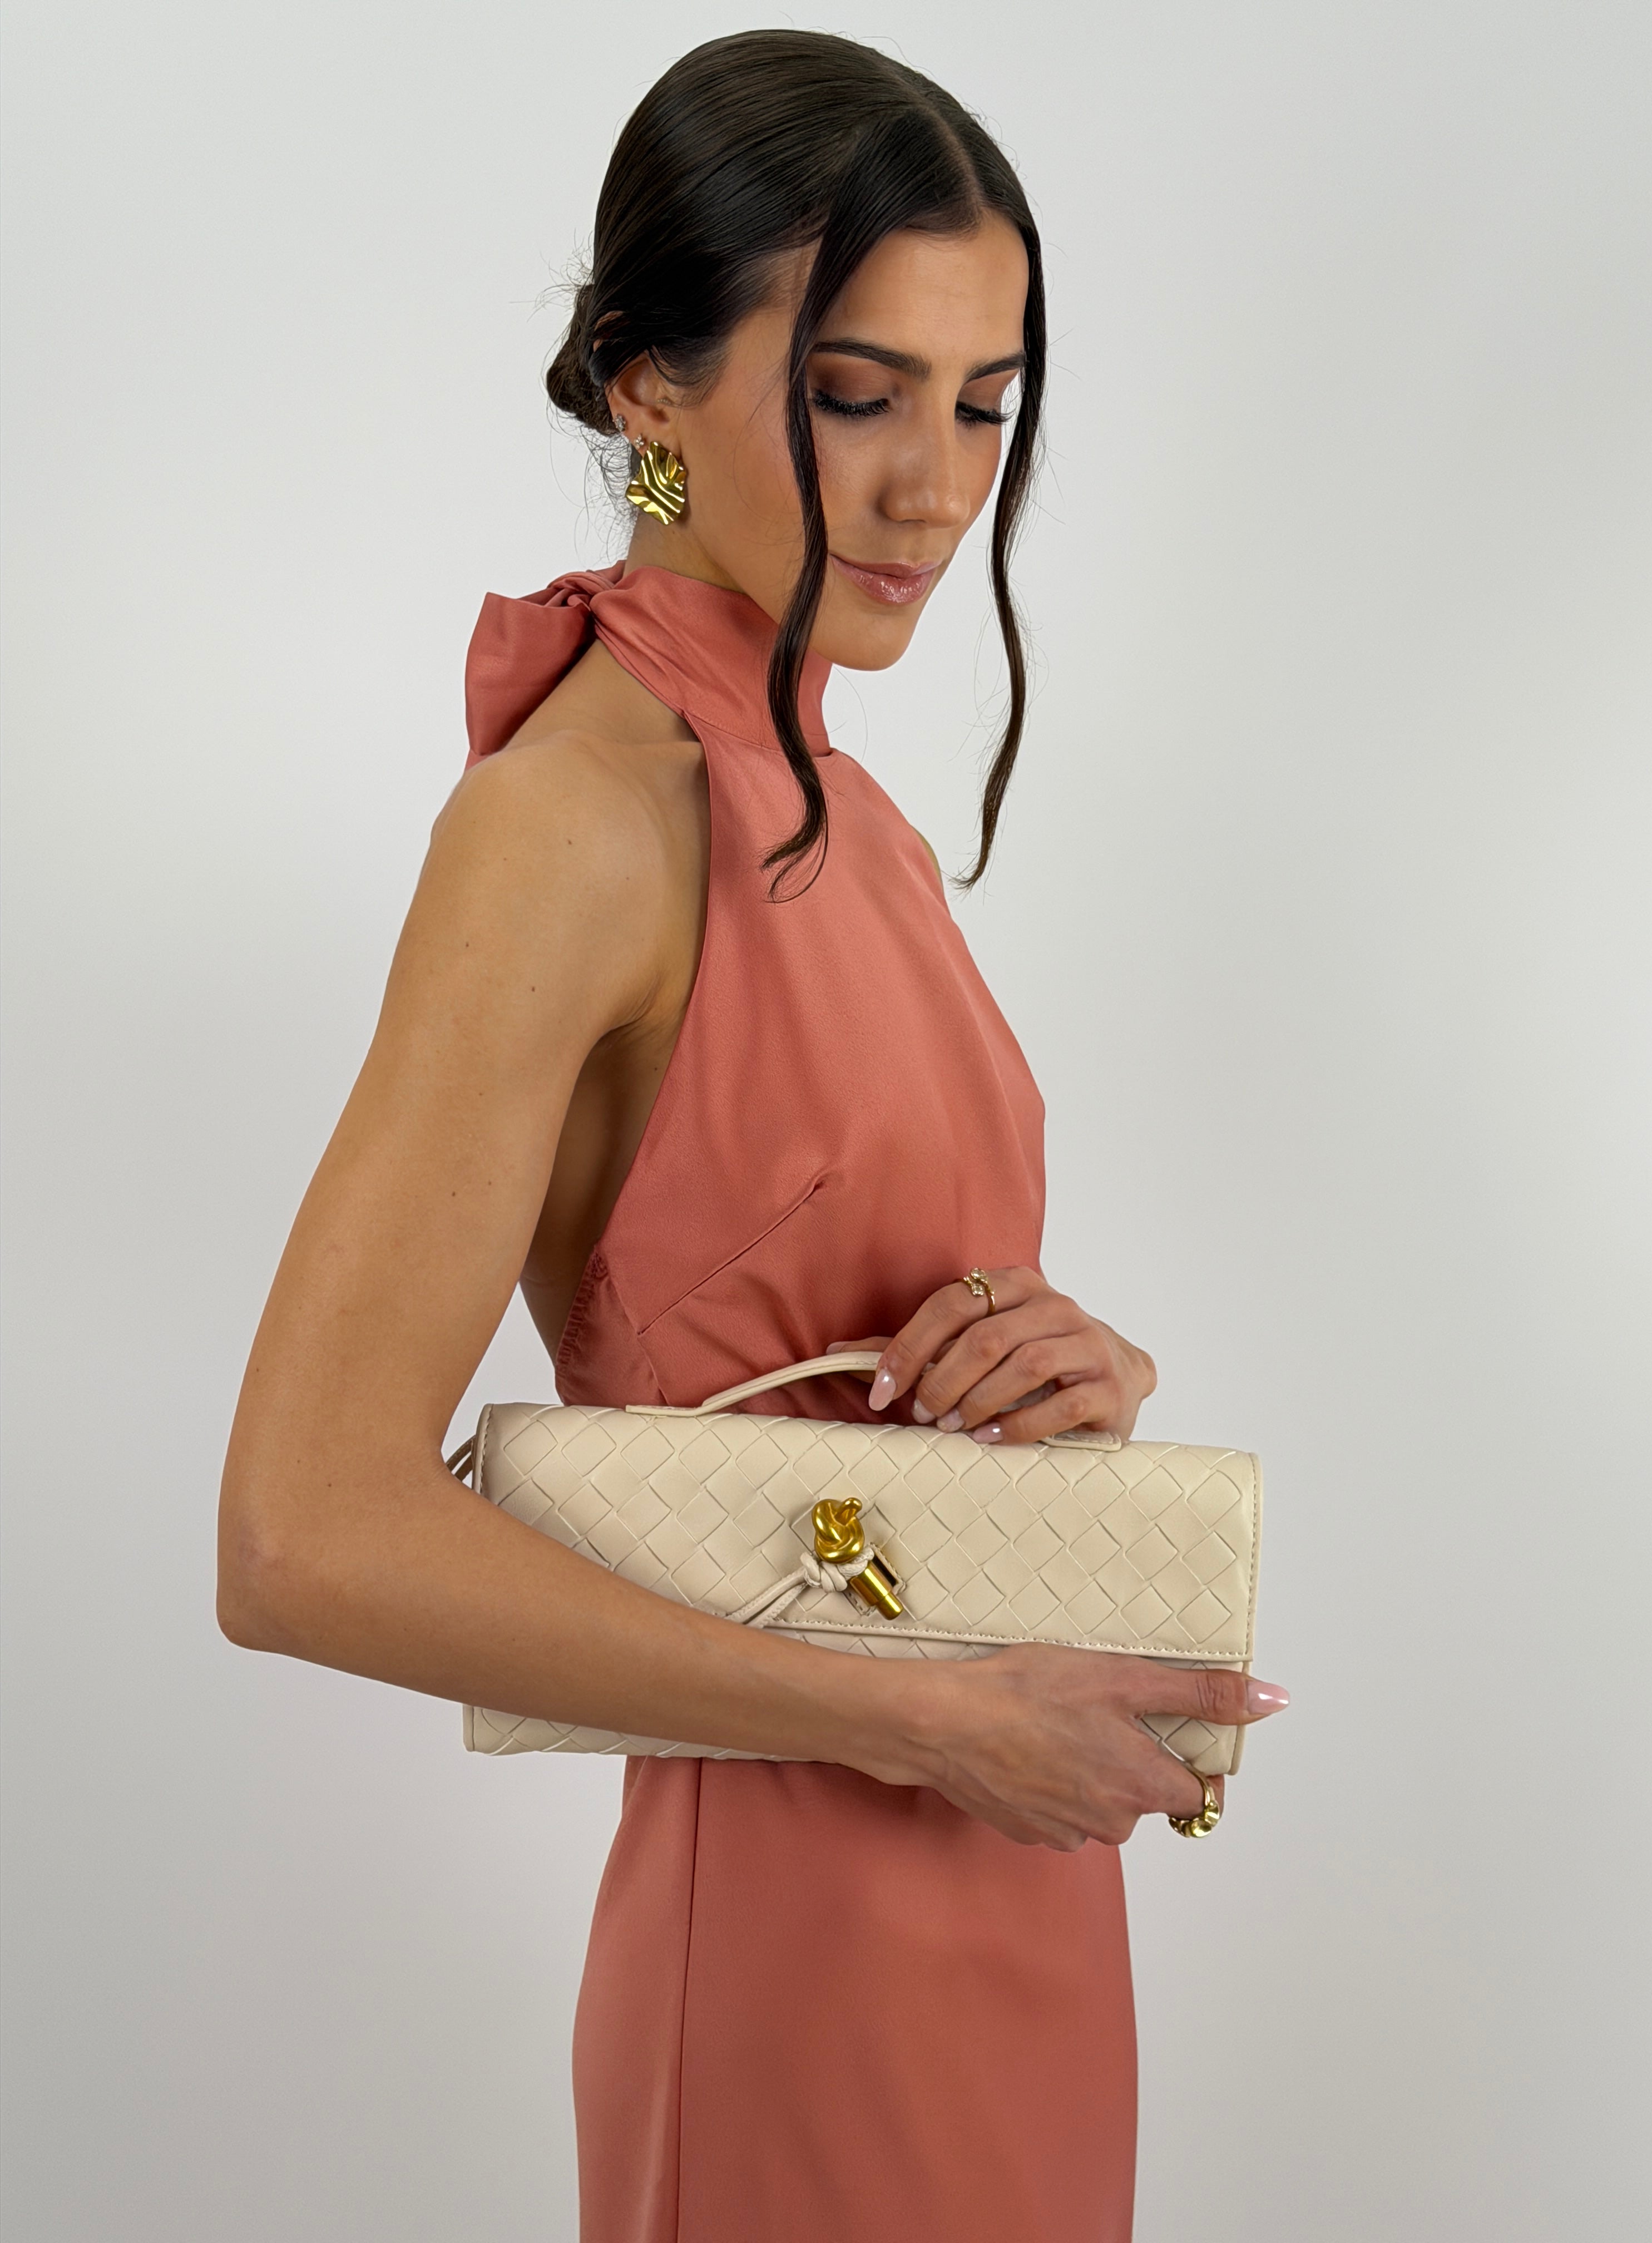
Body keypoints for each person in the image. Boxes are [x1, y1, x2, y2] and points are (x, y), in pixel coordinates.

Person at [217, 29, 1288, 2243]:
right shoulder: (571, 831)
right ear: (646, 387)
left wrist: (1057, 1376)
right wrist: (914, 1723)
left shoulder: (848, 810)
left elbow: (833, 1361)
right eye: (857, 393)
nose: (935, 487)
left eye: (985, 404)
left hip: (1021, 1883)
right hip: (803, 1938)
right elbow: (298, 1532)